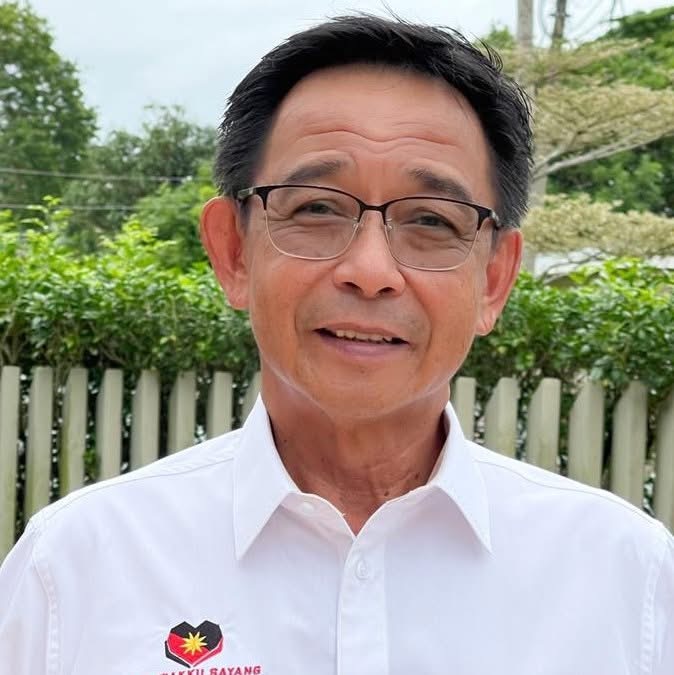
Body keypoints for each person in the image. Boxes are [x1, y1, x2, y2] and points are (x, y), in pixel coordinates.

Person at [1, 14, 672, 675]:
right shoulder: (75, 571)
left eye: (431, 220)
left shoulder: (628, 582)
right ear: (233, 252)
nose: (371, 271)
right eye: (317, 208)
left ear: (494, 278)